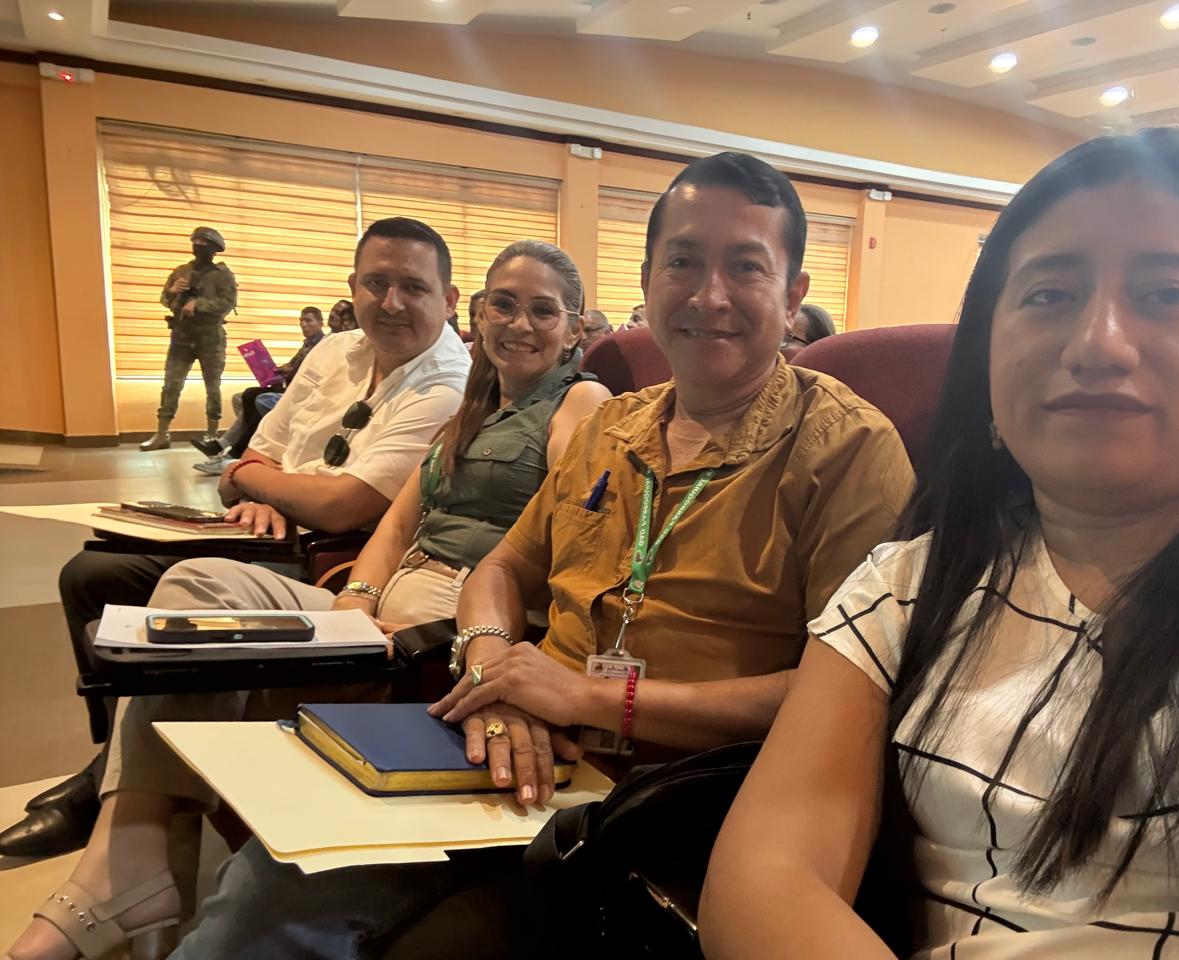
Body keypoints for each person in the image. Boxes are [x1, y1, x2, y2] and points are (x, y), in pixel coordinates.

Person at [152, 152, 915, 960]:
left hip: (678, 796)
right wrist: (494, 666)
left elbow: (842, 696)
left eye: (746, 267)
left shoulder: (847, 450)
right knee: (276, 872)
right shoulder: (613, 427)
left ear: (793, 296)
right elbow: (501, 570)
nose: (708, 294)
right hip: (527, 740)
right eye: (684, 262)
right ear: (648, 279)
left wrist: (590, 698)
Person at [700, 129, 1179, 959]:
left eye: (1167, 294)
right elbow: (765, 879)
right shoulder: (907, 587)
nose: (1098, 343)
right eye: (1050, 295)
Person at [2, 240, 611, 960]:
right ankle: (129, 850)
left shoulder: (580, 402)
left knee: (194, 655)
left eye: (543, 311)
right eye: (503, 305)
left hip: (461, 618)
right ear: (477, 314)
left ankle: (125, 871)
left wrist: (458, 631)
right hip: (383, 600)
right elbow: (397, 525)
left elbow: (564, 538)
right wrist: (356, 598)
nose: (520, 323)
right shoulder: (473, 406)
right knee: (195, 583)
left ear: (574, 329)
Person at [0, 216, 471, 862]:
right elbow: (248, 460)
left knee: (144, 587)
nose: (391, 302)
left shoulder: (448, 384)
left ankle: (106, 794)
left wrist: (256, 481)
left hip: (333, 555)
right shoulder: (335, 352)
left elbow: (342, 506)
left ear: (448, 299)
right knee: (91, 576)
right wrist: (258, 485)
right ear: (352, 287)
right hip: (263, 529)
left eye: (413, 287)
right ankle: (119, 768)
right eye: (376, 283)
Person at [189, 306, 327, 471]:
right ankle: (230, 445)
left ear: (321, 323)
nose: (304, 324)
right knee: (243, 398)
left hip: (299, 395)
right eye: (301, 321)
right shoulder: (307, 344)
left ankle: (234, 451)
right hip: (288, 388)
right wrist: (278, 371)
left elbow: (306, 374)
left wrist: (288, 373)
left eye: (309, 321)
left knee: (256, 399)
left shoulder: (322, 345)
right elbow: (292, 366)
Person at [139, 227, 238, 451]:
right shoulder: (181, 271)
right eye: (196, 242)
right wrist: (173, 291)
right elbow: (164, 299)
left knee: (212, 387)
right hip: (182, 335)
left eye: (204, 243)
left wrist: (199, 304)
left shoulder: (223, 275)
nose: (198, 246)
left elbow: (228, 302)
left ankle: (212, 434)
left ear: (214, 249)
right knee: (171, 385)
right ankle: (162, 434)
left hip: (210, 337)